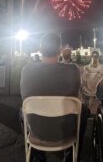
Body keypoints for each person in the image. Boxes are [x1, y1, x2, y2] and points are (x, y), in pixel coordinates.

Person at [20, 33, 86, 162]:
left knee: (22, 111)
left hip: (38, 131)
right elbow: (76, 95)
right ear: (60, 51)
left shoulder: (27, 70)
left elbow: (24, 98)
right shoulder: (73, 70)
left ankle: (38, 157)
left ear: (40, 49)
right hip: (65, 131)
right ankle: (71, 156)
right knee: (83, 110)